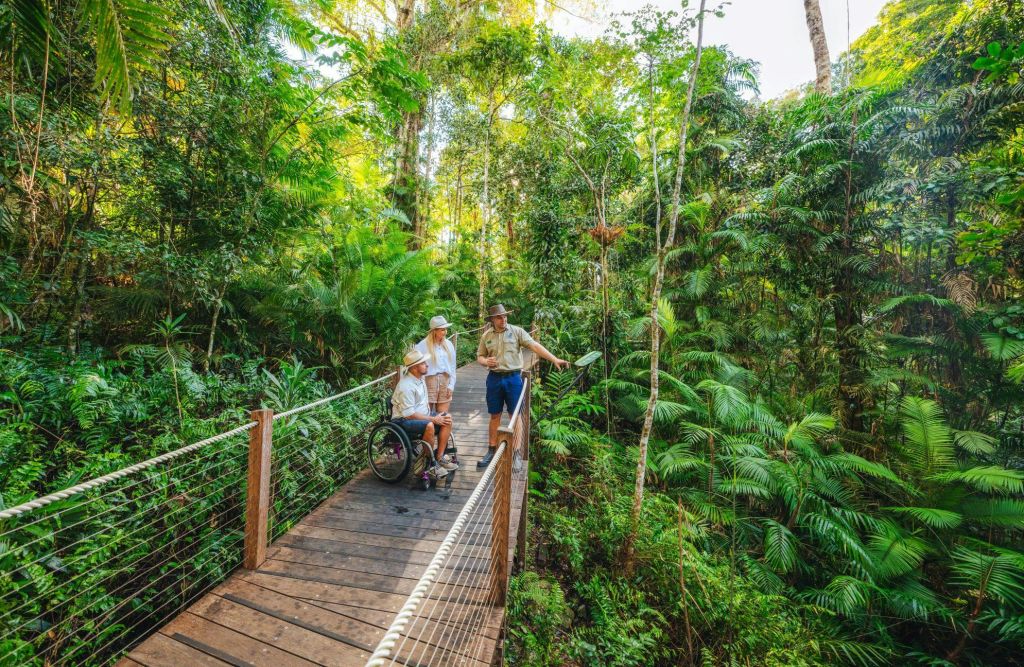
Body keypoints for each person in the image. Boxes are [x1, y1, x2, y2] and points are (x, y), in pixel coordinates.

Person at [476, 304, 569, 468]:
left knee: (515, 416)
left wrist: (554, 359)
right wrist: (485, 362)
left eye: (505, 316)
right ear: (492, 319)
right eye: (499, 317)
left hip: (513, 378)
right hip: (494, 378)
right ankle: (491, 449)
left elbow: (534, 345)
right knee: (494, 415)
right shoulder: (486, 336)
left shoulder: (517, 331)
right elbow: (480, 356)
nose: (503, 319)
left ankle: (516, 453)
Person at [391, 349, 458, 476]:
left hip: (421, 416)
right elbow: (409, 414)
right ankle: (431, 463)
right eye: (423, 363)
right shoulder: (406, 386)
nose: (427, 365)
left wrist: (434, 416)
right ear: (415, 367)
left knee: (447, 418)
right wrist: (432, 419)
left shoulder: (420, 378)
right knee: (430, 425)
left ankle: (439, 457)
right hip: (403, 420)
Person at [415, 315, 457, 414]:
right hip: (428, 382)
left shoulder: (449, 344)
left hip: (445, 381)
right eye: (442, 330)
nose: (445, 332)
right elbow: (415, 367)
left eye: (446, 329)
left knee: (443, 416)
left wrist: (451, 385)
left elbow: (452, 367)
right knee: (426, 415)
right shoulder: (422, 345)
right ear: (434, 331)